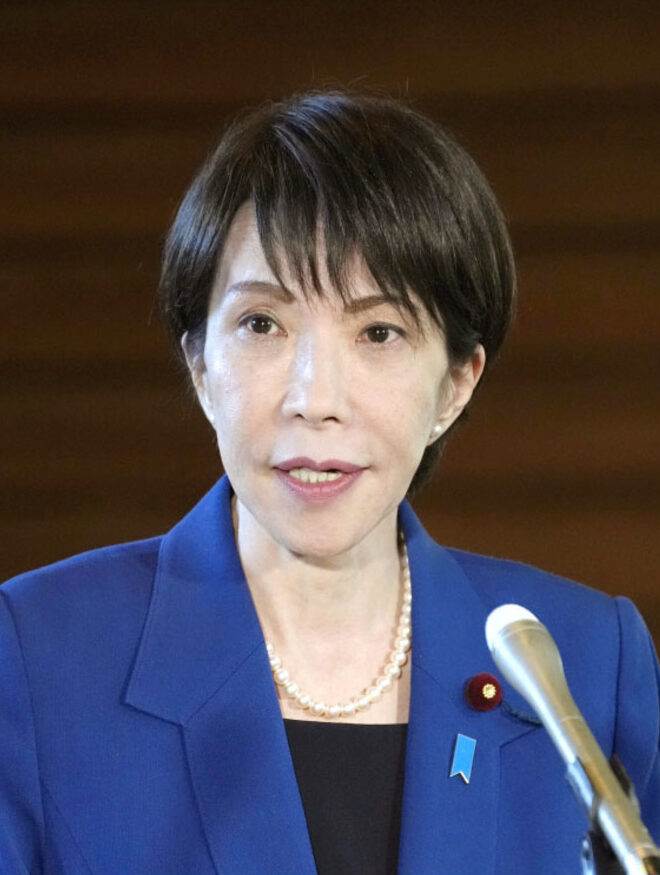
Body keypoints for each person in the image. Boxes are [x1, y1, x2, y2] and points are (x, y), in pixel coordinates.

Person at [1, 88, 658, 875]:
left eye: (379, 331)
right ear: (201, 364)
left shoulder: (583, 665)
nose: (315, 399)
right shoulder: (37, 657)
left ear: (456, 384)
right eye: (263, 324)